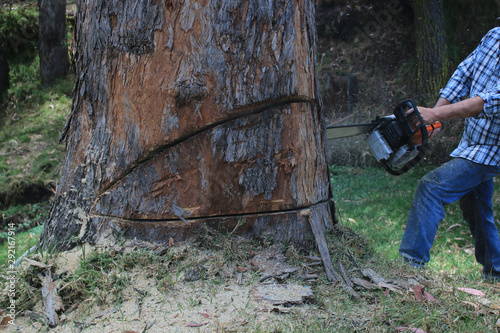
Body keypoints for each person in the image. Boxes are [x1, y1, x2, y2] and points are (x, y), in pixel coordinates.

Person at [399, 27, 500, 280]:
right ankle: (496, 271)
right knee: (476, 204)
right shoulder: (494, 35)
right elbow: (463, 73)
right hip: (473, 142)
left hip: (491, 151)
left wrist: (436, 115)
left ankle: (410, 269)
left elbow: (487, 102)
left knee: (431, 187)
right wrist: (434, 117)